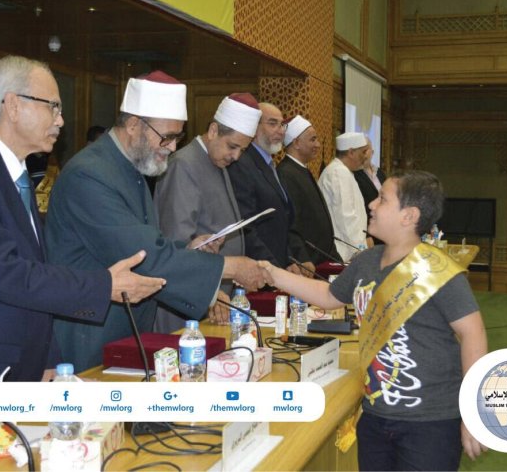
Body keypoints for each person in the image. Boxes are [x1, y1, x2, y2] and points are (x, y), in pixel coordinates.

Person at [0, 56, 165, 437]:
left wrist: (49, 361)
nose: (61, 120)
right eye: (53, 106)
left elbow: (34, 271)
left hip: (19, 370)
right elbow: (5, 274)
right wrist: (103, 286)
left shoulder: (16, 176)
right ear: (13, 105)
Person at [259, 170, 488, 471]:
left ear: (409, 216)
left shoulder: (437, 270)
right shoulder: (366, 261)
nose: (371, 204)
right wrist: (273, 273)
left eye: (382, 199)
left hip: (431, 422)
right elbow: (329, 296)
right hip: (376, 415)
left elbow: (473, 335)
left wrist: (473, 412)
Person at [45, 71, 265, 372]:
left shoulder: (131, 167)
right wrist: (230, 267)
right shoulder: (89, 174)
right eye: (167, 137)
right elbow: (141, 255)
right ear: (134, 124)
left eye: (177, 137)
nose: (172, 147)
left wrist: (188, 248)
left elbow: (145, 242)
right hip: (90, 339)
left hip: (123, 334)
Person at [153, 92, 262, 332]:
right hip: (189, 303)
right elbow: (175, 244)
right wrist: (211, 293)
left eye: (242, 150)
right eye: (232, 146)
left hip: (215, 300)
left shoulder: (215, 160)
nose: (236, 156)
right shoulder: (184, 164)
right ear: (213, 131)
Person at [227, 102, 313, 276]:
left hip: (279, 268)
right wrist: (274, 269)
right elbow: (246, 227)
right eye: (272, 124)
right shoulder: (242, 164)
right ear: (254, 128)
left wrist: (293, 260)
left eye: (282, 125)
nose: (281, 131)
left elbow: (284, 223)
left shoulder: (270, 164)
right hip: (259, 272)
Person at [277, 115, 341, 265]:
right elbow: (292, 223)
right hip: (309, 263)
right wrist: (303, 258)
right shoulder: (286, 173)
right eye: (313, 139)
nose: (318, 145)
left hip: (323, 258)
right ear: (297, 143)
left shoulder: (301, 170)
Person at [318, 132, 371, 261]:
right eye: (363, 152)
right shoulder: (338, 172)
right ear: (351, 152)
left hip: (348, 249)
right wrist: (361, 249)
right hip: (344, 251)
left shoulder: (343, 171)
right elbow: (346, 216)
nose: (366, 157)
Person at [354, 142, 386, 219]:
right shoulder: (354, 175)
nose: (363, 153)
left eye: (365, 149)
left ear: (372, 152)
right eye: (360, 150)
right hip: (367, 221)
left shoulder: (380, 172)